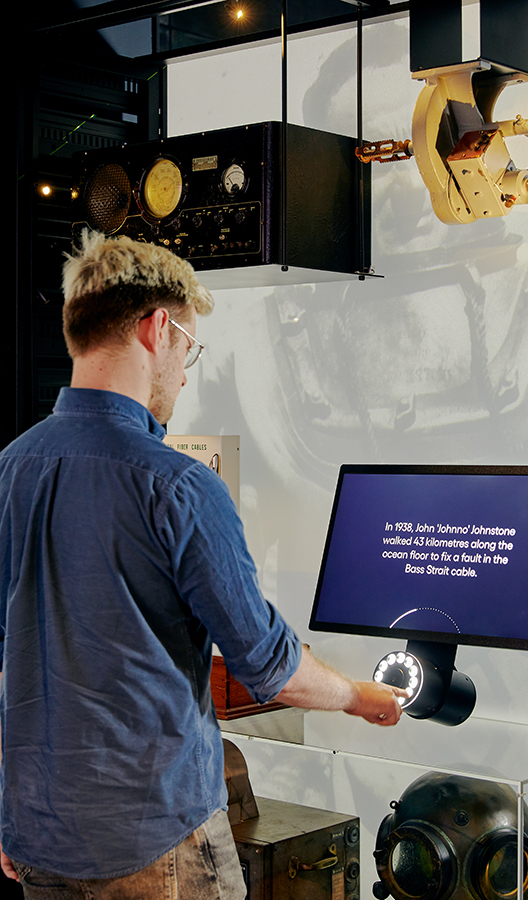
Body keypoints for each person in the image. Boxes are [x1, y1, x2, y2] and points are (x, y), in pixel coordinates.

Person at [0, 232, 405, 899]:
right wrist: (364, 698)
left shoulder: (13, 468)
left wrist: (14, 806)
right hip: (155, 845)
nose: (185, 373)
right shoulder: (177, 486)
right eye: (189, 345)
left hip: (41, 835)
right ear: (160, 328)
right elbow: (268, 664)